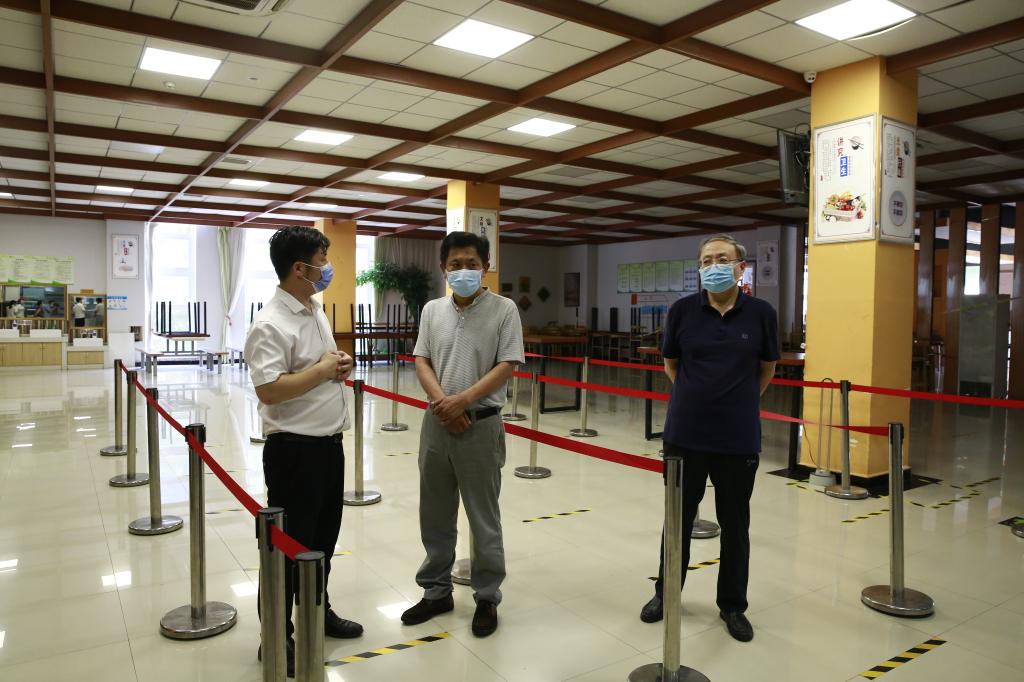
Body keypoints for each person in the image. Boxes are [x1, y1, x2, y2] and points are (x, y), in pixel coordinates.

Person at [639, 234, 778, 643]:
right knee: (677, 520)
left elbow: (767, 368)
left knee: (735, 524)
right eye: (706, 261)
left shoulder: (761, 314)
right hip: (684, 435)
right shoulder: (682, 311)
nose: (713, 266)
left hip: (738, 437)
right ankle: (666, 593)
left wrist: (738, 401)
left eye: (722, 259)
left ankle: (733, 605)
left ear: (740, 267)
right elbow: (671, 363)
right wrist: (696, 397)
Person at [244, 225, 363, 675]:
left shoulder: (313, 308)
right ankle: (276, 635)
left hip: (328, 445)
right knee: (288, 548)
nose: (327, 268)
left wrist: (339, 365)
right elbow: (270, 390)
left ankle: (318, 609)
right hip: (294, 451)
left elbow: (319, 366)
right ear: (300, 268)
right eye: (322, 260)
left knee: (322, 543)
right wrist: (322, 371)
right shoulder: (270, 323)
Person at [400, 232, 524, 638]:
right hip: (437, 423)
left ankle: (486, 596)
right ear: (444, 269)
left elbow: (507, 364)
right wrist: (443, 403)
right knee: (434, 513)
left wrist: (463, 401)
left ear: (485, 266)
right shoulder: (432, 310)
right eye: (455, 264)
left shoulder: (504, 309)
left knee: (483, 517)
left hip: (481, 425)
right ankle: (436, 591)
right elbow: (421, 359)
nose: (464, 271)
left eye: (472, 263)